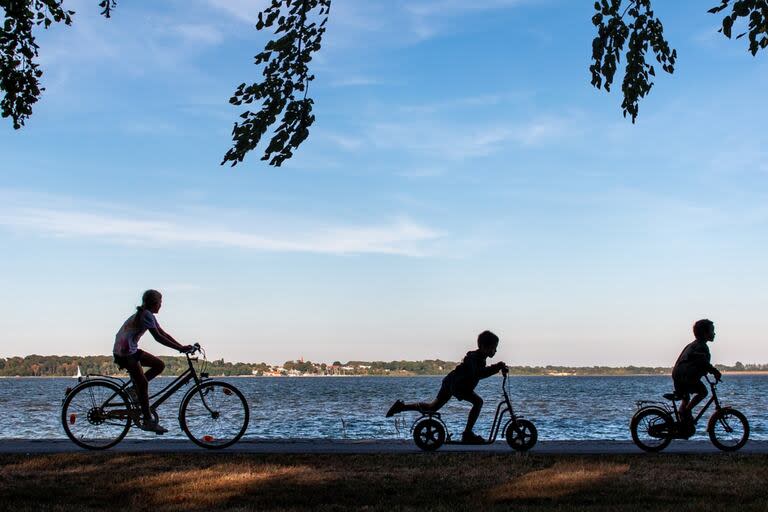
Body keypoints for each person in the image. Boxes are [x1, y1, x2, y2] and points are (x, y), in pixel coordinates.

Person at [385, 330, 507, 444]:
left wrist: (497, 367)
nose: (495, 351)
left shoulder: (479, 357)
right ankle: (467, 434)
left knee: (432, 408)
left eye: (495, 348)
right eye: (493, 348)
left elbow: (480, 372)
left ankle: (401, 407)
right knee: (478, 402)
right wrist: (497, 367)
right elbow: (478, 373)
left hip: (451, 382)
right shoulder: (474, 358)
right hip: (458, 385)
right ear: (483, 347)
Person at [113, 289, 192, 434]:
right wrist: (179, 349)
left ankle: (133, 389)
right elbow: (158, 338)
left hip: (129, 349)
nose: (161, 305)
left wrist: (181, 347)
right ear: (154, 303)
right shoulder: (146, 315)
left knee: (159, 365)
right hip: (125, 352)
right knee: (142, 383)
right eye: (160, 302)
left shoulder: (147, 314)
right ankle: (148, 420)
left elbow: (163, 333)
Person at [671, 318, 722, 435]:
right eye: (712, 331)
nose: (714, 333)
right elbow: (702, 361)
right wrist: (715, 371)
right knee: (703, 392)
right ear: (705, 333)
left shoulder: (693, 344)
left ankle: (683, 423)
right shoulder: (701, 346)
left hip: (678, 375)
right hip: (685, 377)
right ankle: (686, 412)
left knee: (686, 398)